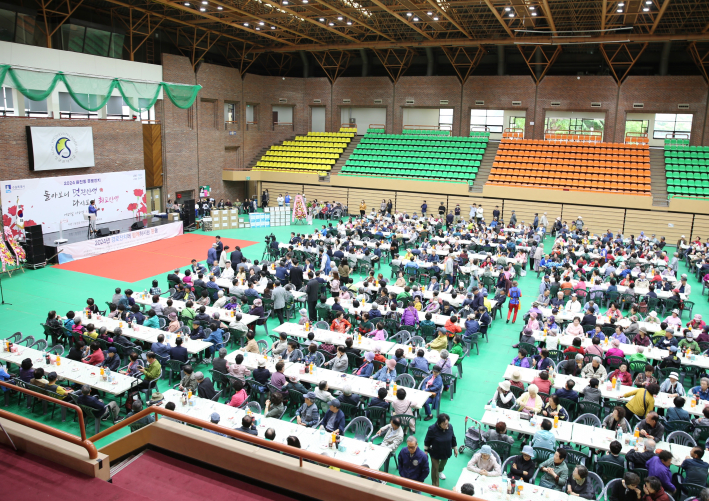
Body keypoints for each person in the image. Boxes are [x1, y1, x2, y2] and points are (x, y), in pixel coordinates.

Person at [424, 413, 458, 487]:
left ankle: (440, 471)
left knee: (442, 465)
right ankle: (435, 486)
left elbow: (453, 437)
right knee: (434, 468)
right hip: (435, 451)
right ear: (439, 423)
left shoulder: (450, 427)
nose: (446, 426)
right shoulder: (432, 429)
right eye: (444, 424)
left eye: (447, 423)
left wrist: (455, 448)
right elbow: (427, 440)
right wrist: (426, 451)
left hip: (446, 451)